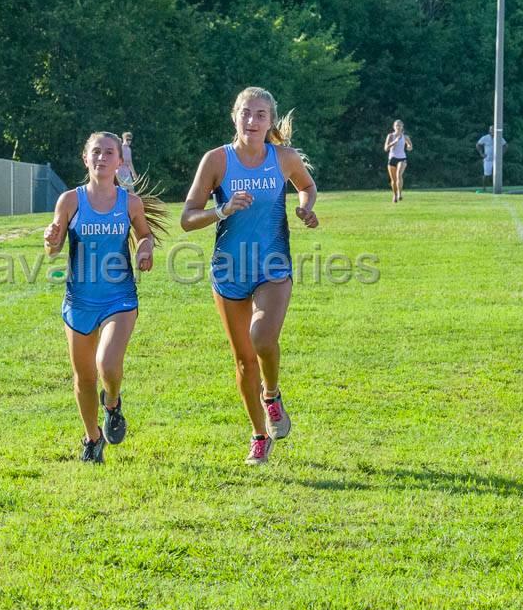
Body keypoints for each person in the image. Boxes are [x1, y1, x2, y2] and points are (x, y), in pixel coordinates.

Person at [180, 87, 318, 465]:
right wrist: (221, 210)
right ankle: (260, 435)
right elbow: (187, 218)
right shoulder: (216, 161)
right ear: (234, 117)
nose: (253, 121)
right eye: (246, 113)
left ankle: (271, 395)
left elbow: (306, 186)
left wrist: (306, 208)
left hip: (273, 268)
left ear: (270, 121)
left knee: (262, 336)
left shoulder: (284, 158)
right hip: (228, 272)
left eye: (260, 114)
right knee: (243, 361)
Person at [44, 132, 166, 464]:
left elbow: (145, 234)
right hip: (79, 301)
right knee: (84, 378)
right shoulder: (70, 200)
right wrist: (51, 239)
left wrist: (146, 249)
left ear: (119, 161)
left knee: (107, 364)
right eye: (95, 152)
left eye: (108, 152)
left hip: (119, 299)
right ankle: (92, 438)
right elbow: (54, 249)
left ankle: (112, 403)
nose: (101, 157)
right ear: (85, 158)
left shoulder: (130, 203)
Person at [383, 120, 411, 203]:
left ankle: (399, 193)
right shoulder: (390, 136)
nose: (398, 127)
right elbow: (385, 149)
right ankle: (394, 195)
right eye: (396, 125)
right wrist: (395, 141)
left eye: (400, 125)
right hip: (392, 158)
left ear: (402, 127)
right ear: (394, 127)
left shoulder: (405, 136)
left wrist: (409, 147)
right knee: (393, 180)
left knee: (399, 175)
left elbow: (410, 145)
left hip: (402, 158)